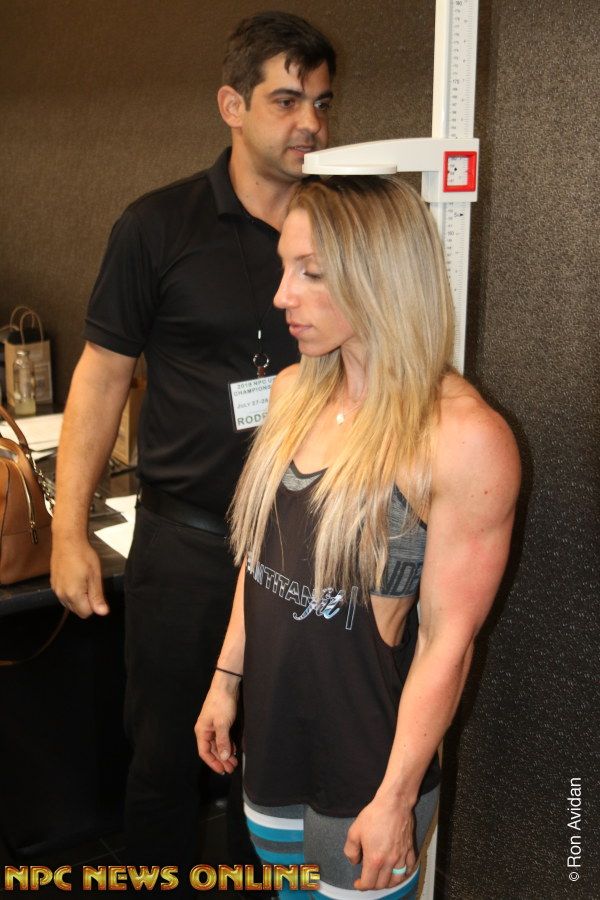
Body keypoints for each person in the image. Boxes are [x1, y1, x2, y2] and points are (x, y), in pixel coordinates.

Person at [50, 10, 336, 880]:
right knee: (165, 763)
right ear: (231, 105)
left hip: (303, 546)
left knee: (279, 768)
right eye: (286, 101)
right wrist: (67, 531)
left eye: (322, 103)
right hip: (188, 548)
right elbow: (102, 377)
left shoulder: (341, 228)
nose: (311, 124)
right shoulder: (157, 226)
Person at [195, 175, 521, 899]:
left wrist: (396, 798)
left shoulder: (460, 438)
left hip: (368, 773)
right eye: (286, 267)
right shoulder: (291, 394)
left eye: (310, 272)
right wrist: (225, 681)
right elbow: (261, 563)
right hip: (273, 750)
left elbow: (446, 641)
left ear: (379, 274)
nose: (282, 295)